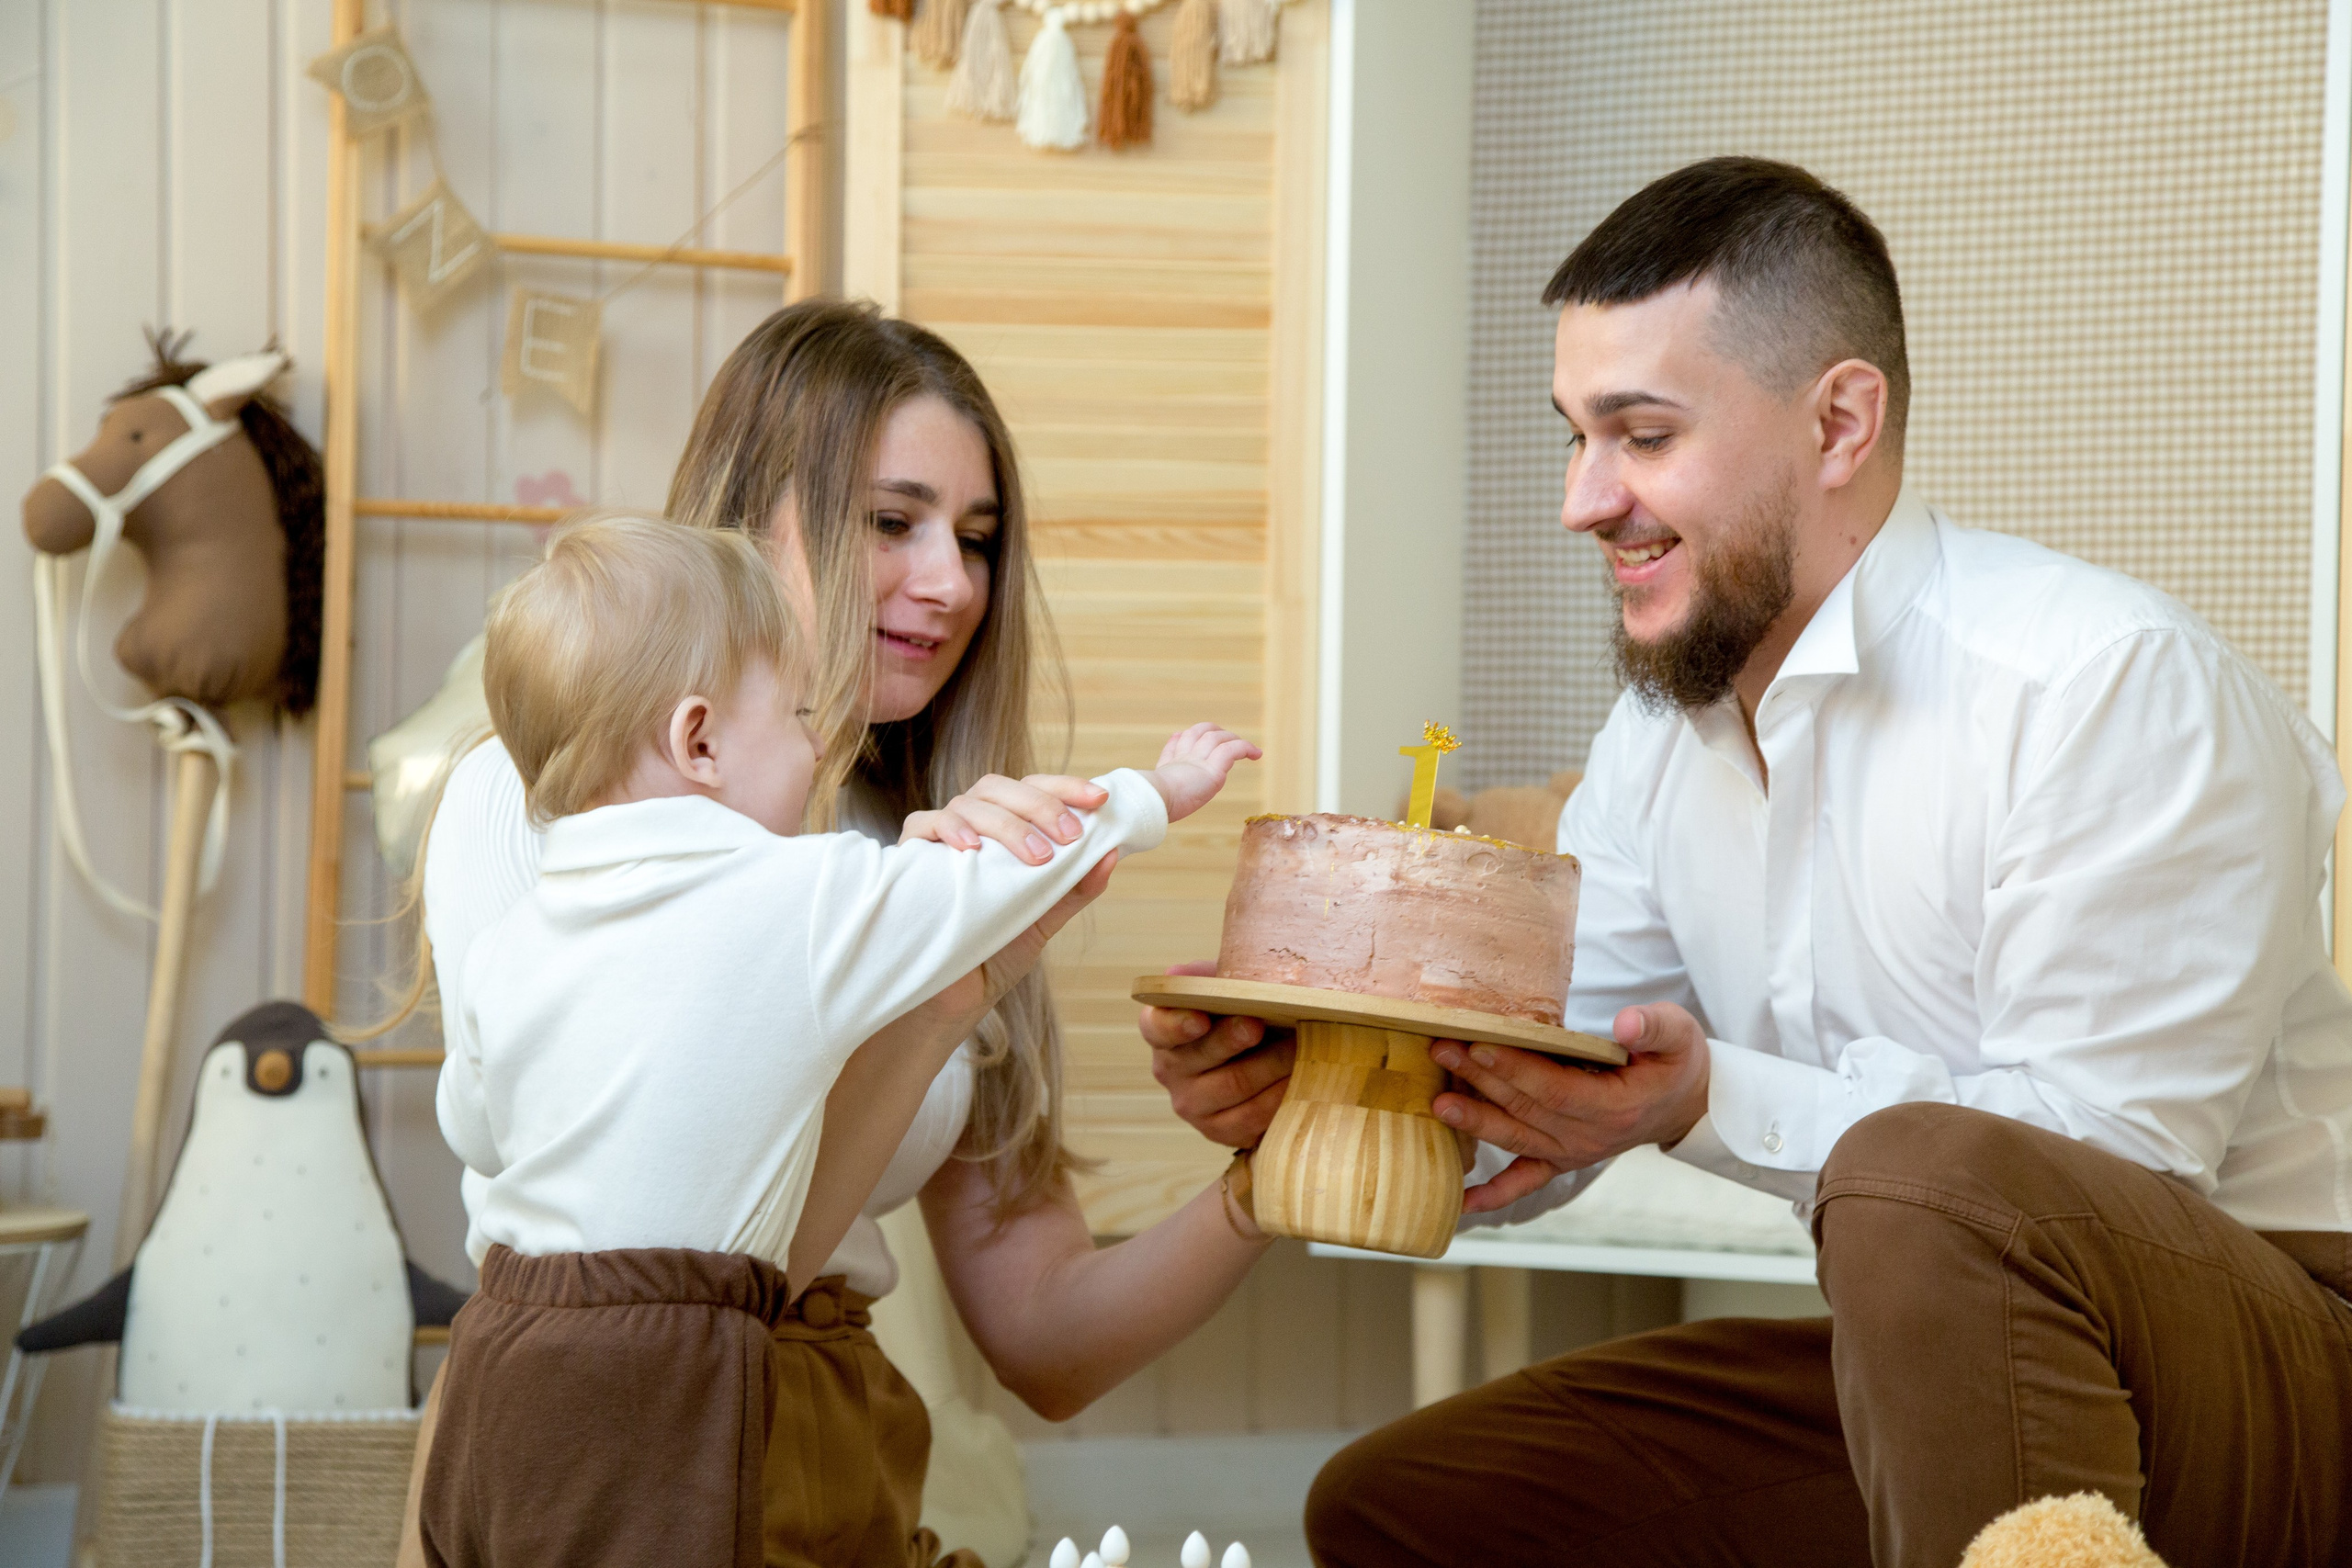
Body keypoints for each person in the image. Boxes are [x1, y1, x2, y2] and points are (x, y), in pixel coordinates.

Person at [1147, 158, 2352, 1567]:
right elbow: (1553, 1060)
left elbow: (2107, 1169)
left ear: (1840, 422)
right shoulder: (1658, 741)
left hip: (2294, 1365)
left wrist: (1710, 1100)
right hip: (1948, 1364)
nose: (1584, 501)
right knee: (1412, 1507)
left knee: (1918, 1180)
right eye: (1574, 438)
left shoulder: (2108, 688)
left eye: (1641, 436)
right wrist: (1315, 1086)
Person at [411, 301, 1284, 1568]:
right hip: (617, 1433)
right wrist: (936, 995)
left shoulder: (941, 845)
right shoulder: (547, 799)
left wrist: (1278, 1177)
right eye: (892, 522)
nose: (953, 583)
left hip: (839, 1448)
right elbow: (658, 1250)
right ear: (747, 520)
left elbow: (1047, 1337)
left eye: (977, 540)